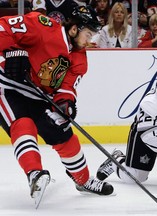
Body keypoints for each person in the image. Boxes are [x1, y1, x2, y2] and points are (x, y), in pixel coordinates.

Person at [0, 5, 113, 206]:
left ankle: (83, 180)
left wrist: (66, 102)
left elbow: (67, 86)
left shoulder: (79, 59)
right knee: (23, 125)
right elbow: (3, 27)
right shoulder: (42, 26)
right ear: (73, 29)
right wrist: (13, 52)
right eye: (88, 34)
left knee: (62, 132)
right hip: (7, 87)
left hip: (37, 94)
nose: (90, 40)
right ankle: (34, 174)